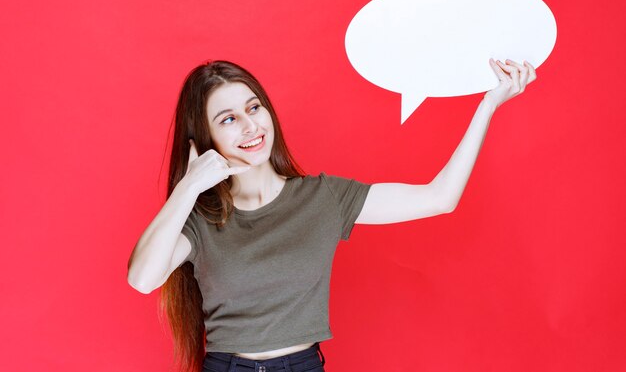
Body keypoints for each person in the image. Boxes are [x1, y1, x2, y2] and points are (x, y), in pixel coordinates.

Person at [127, 58, 537, 372]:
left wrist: (489, 103)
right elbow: (143, 279)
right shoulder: (201, 219)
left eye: (254, 107)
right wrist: (189, 186)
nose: (251, 126)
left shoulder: (323, 199)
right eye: (229, 119)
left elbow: (440, 197)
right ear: (206, 139)